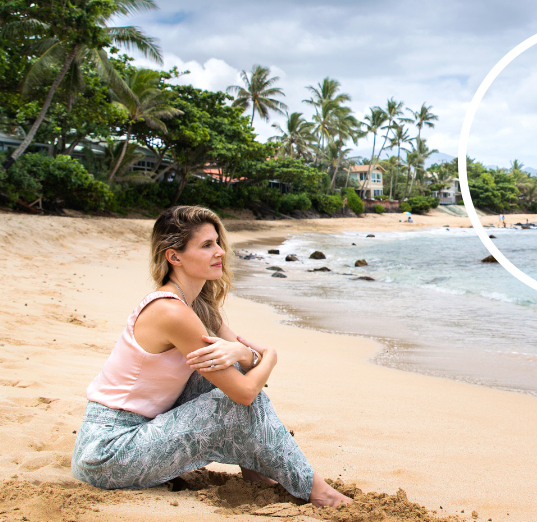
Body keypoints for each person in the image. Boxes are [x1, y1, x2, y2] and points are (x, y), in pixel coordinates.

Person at [71, 205, 350, 507]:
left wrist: (244, 355)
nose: (220, 252)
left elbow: (244, 364)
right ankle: (318, 492)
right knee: (233, 397)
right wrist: (268, 354)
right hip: (108, 453)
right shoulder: (172, 312)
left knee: (223, 376)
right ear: (174, 256)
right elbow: (244, 392)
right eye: (206, 245)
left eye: (217, 242)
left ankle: (258, 473)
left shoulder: (196, 307)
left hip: (133, 435)